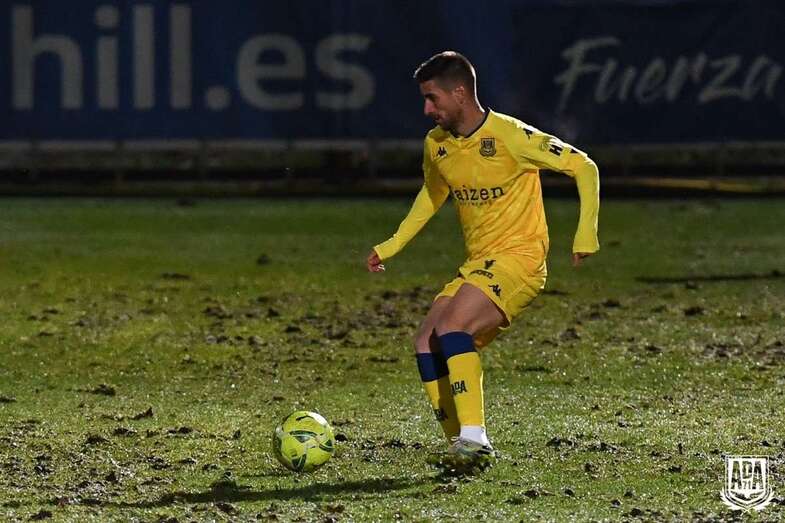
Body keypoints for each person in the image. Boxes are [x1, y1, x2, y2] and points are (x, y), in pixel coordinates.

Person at [366, 51, 599, 471]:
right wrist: (392, 245)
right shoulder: (437, 145)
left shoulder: (511, 136)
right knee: (426, 342)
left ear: (460, 93)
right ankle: (460, 446)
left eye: (433, 98)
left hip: (521, 259)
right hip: (478, 263)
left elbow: (584, 166)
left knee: (454, 328)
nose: (427, 109)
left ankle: (475, 440)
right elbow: (432, 194)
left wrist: (585, 234)